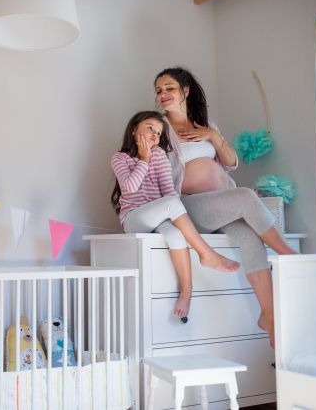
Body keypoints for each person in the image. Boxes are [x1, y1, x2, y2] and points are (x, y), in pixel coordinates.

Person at [153, 66, 299, 347]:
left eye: (169, 88)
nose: (162, 94)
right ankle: (289, 255)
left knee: (248, 237)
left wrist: (213, 136)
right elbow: (157, 173)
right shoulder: (158, 127)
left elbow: (230, 163)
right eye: (159, 90)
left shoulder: (205, 123)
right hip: (187, 208)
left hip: (219, 204)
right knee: (245, 196)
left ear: (185, 91)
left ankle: (267, 316)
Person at [111, 111, 241, 318]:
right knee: (171, 203)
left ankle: (186, 293)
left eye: (159, 132)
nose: (155, 134)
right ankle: (206, 254)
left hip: (161, 216)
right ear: (134, 129)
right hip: (134, 218)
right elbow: (130, 187)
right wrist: (143, 159)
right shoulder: (120, 158)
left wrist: (179, 218)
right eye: (150, 128)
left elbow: (169, 191)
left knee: (175, 234)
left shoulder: (160, 155)